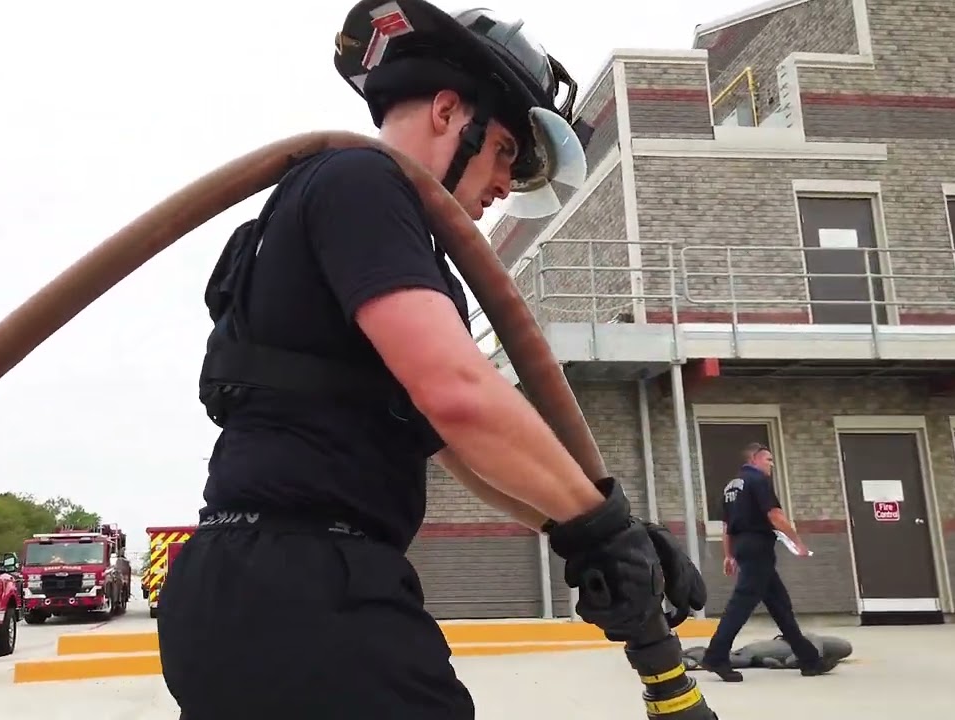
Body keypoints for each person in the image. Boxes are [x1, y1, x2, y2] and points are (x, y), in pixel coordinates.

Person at [156, 2, 705, 717]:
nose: (508, 184)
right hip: (309, 593)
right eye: (506, 150)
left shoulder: (364, 229)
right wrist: (603, 525)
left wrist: (580, 534)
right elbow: (460, 394)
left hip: (239, 588)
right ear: (448, 111)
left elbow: (460, 449)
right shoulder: (363, 184)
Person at [700, 442, 841, 681]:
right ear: (754, 459)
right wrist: (797, 541)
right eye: (769, 460)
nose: (771, 465)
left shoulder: (731, 487)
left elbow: (727, 526)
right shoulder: (758, 481)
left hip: (744, 546)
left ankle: (809, 659)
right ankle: (716, 656)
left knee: (780, 605)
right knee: (741, 603)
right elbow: (775, 516)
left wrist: (729, 554)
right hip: (758, 547)